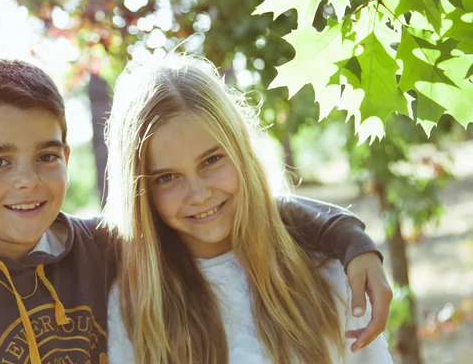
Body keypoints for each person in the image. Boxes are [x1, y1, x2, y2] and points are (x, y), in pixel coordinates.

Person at [0, 58, 388, 364]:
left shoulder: (88, 253)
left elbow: (261, 212)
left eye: (45, 156)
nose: (26, 180)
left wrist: (351, 239)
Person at [104, 54, 393, 363]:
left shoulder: (328, 273)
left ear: (240, 150)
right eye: (167, 177)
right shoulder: (133, 309)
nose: (199, 194)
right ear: (140, 192)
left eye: (212, 160)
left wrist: (347, 235)